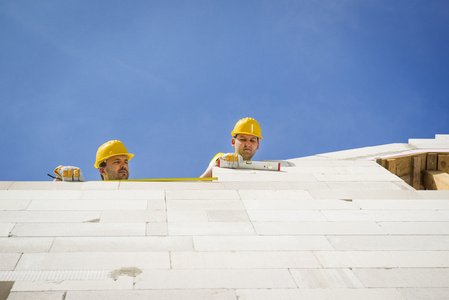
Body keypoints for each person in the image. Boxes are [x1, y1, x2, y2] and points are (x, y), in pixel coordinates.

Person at [53, 140, 134, 181]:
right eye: (117, 162)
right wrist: (60, 182)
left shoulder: (136, 192)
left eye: (126, 162)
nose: (124, 165)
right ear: (102, 170)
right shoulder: (92, 194)